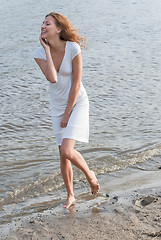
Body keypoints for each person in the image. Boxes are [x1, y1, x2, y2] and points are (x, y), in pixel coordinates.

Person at [33, 12, 100, 209]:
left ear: (59, 28)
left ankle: (90, 175)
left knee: (68, 150)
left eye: (48, 23)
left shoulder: (73, 47)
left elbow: (76, 85)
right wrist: (46, 49)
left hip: (77, 102)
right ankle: (71, 195)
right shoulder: (38, 53)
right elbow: (53, 78)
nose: (43, 26)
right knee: (62, 154)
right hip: (57, 106)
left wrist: (67, 113)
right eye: (43, 24)